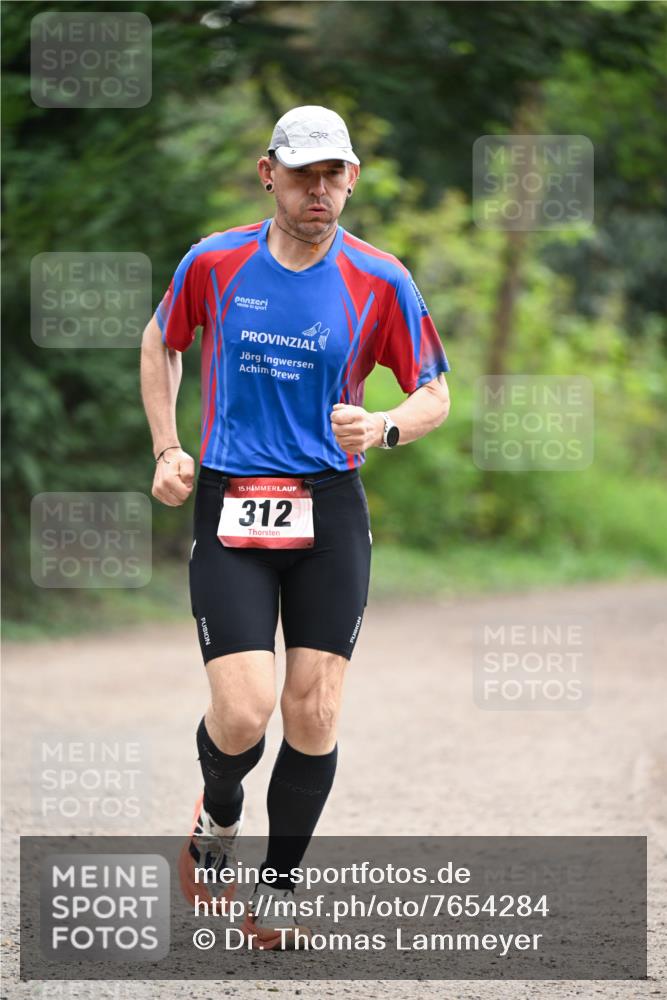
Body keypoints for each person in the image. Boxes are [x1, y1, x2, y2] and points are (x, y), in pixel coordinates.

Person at [140, 105, 450, 950]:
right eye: (304, 172)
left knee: (312, 714)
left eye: (334, 174)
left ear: (351, 179)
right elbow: (162, 339)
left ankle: (274, 891)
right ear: (267, 172)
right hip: (233, 497)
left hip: (330, 506)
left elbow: (434, 391)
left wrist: (384, 426)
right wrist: (168, 446)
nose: (320, 189)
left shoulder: (380, 279)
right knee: (243, 714)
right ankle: (219, 813)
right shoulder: (215, 260)